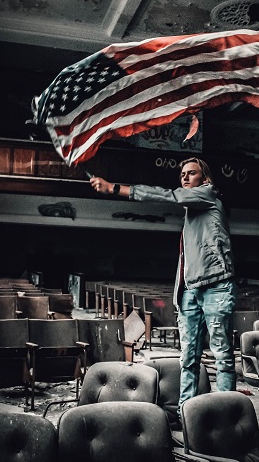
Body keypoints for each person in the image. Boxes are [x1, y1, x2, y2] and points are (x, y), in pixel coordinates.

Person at [90, 157, 237, 422]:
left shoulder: (208, 195)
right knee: (188, 357)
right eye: (182, 173)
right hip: (190, 290)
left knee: (222, 354)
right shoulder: (192, 213)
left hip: (215, 285)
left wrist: (115, 188)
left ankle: (226, 416)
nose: (185, 177)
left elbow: (167, 196)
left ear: (205, 180)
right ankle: (187, 415)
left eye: (191, 173)